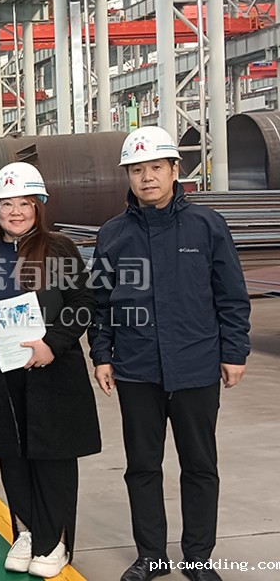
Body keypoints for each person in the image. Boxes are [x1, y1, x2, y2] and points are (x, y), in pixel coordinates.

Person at [89, 126, 251, 581]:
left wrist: (235, 351)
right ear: (127, 176)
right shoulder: (113, 235)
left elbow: (231, 296)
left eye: (156, 167)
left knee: (200, 465)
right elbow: (100, 304)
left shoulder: (207, 226)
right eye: (137, 170)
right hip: (137, 369)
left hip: (196, 365)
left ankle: (198, 557)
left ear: (175, 170)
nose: (147, 178)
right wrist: (102, 355)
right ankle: (152, 557)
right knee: (142, 467)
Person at [0, 162, 101, 578]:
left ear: (38, 206)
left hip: (52, 371)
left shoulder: (59, 248)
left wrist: (52, 345)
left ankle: (54, 541)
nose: (16, 212)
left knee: (52, 458)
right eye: (7, 204)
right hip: (3, 372)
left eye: (25, 203)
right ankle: (25, 532)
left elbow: (83, 303)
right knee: (13, 455)